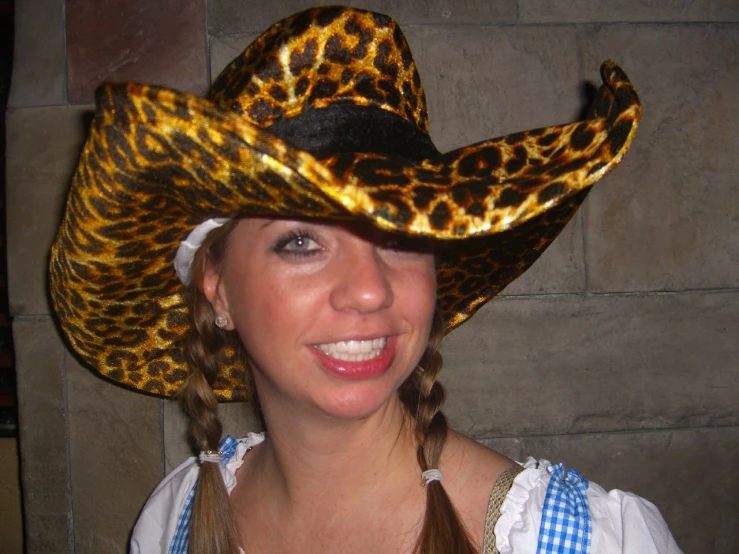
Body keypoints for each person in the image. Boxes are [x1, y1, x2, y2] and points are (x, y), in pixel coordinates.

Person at [48, 6, 682, 554]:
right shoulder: (173, 522)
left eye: (404, 240)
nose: (371, 291)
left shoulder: (578, 540)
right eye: (302, 242)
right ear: (217, 288)